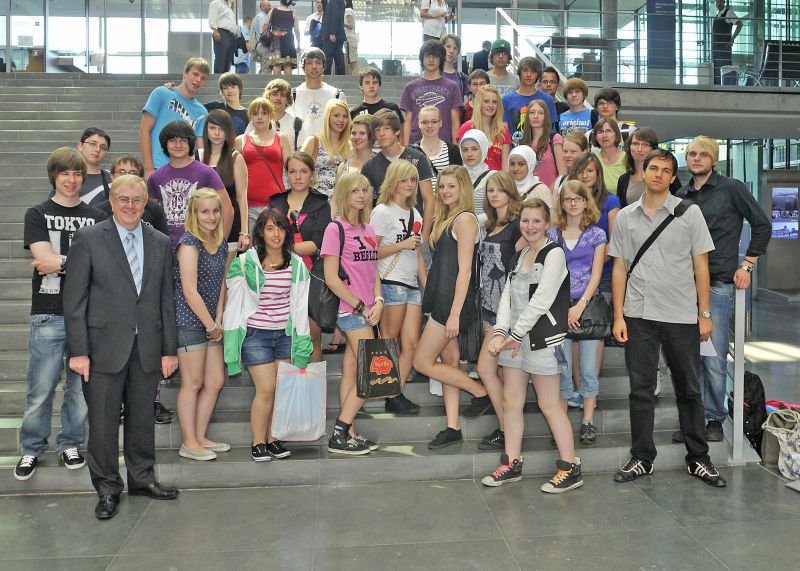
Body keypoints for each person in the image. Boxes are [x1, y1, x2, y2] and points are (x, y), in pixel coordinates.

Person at [64, 174, 179, 520]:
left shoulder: (159, 241)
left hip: (147, 346)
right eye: (123, 199)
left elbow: (165, 299)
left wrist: (169, 350)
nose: (130, 206)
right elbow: (74, 300)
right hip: (101, 349)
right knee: (102, 423)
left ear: (147, 203)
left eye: (137, 200)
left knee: (143, 419)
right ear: (111, 202)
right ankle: (107, 488)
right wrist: (79, 351)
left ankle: (142, 479)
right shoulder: (87, 239)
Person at [609, 148, 727, 488]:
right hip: (639, 314)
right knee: (640, 390)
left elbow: (701, 266)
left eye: (665, 170)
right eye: (653, 168)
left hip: (680, 315)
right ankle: (642, 457)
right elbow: (619, 267)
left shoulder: (690, 214)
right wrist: (619, 315)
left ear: (673, 178)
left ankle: (698, 458)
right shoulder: (627, 217)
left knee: (689, 389)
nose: (658, 174)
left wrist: (704, 314)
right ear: (643, 173)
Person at [13, 148, 103, 482]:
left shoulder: (95, 216)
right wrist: (78, 262)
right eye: (65, 173)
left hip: (86, 314)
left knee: (78, 390)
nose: (71, 180)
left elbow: (77, 264)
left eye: (77, 174)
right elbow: (43, 259)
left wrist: (59, 262)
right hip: (48, 313)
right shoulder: (37, 213)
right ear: (54, 175)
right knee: (41, 388)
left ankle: (71, 443)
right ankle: (31, 448)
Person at [673, 136, 770, 443]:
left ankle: (714, 418)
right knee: (687, 359)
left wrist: (748, 265)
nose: (697, 158)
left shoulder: (732, 188)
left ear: (713, 160)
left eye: (703, 154)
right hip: (681, 288)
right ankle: (693, 420)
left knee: (713, 359)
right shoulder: (680, 194)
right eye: (692, 154)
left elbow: (762, 224)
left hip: (717, 286)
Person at [482, 198, 582, 492]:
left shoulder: (554, 254)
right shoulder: (519, 255)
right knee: (511, 402)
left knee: (549, 405)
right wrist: (501, 332)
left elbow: (543, 300)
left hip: (541, 340)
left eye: (537, 221)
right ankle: (511, 463)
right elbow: (506, 298)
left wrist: (514, 334)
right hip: (514, 340)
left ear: (547, 224)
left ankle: (570, 467)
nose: (530, 226)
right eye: (525, 221)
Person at [224, 208, 312, 461]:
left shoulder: (296, 265)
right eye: (270, 228)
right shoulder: (244, 263)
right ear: (261, 232)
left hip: (284, 335)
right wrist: (231, 345)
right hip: (256, 336)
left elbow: (300, 308)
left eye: (281, 228)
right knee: (267, 388)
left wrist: (302, 343)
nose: (276, 234)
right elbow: (233, 306)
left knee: (280, 390)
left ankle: (273, 439)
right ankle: (258, 441)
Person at [413, 165, 490, 449]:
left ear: (463, 190)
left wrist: (455, 313)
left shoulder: (466, 219)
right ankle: (452, 426)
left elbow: (465, 271)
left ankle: (481, 392)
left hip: (450, 304)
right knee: (448, 362)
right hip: (440, 298)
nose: (445, 191)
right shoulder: (448, 218)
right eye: (441, 186)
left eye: (451, 187)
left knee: (422, 362)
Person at [323, 172, 383, 455]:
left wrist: (379, 301)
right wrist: (362, 306)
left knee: (351, 370)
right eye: (355, 191)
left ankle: (350, 432)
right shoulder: (335, 229)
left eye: (365, 190)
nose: (361, 195)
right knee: (374, 373)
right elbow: (332, 279)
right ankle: (339, 432)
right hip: (350, 311)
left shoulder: (369, 230)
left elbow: (374, 273)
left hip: (369, 310)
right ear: (345, 194)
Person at [548, 181, 606, 445]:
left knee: (587, 368)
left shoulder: (596, 235)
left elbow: (596, 275)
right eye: (567, 199)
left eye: (577, 199)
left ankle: (587, 421)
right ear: (561, 204)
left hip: (588, 306)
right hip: (558, 308)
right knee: (561, 368)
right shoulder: (552, 234)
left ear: (586, 202)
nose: (572, 203)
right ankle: (562, 426)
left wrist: (580, 304)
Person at [173, 189, 229, 461]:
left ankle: (200, 435)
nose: (211, 216)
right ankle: (188, 442)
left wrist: (218, 319)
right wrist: (209, 324)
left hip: (210, 322)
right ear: (194, 214)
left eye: (215, 211)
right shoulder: (188, 243)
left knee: (215, 380)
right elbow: (189, 291)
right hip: (189, 321)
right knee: (192, 382)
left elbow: (221, 286)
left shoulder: (220, 243)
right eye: (204, 211)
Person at [468, 172, 523, 441]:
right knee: (497, 371)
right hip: (488, 307)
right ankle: (507, 427)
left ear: (510, 192)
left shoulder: (517, 226)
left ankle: (505, 429)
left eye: (499, 190)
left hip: (507, 310)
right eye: (490, 190)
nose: (493, 194)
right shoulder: (490, 225)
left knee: (485, 369)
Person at [372, 159, 426, 415]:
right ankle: (389, 391)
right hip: (391, 281)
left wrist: (426, 287)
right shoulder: (381, 211)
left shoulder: (416, 213)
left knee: (412, 344)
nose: (409, 184)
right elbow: (371, 252)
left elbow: (418, 255)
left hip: (412, 284)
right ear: (393, 181)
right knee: (389, 341)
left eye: (413, 180)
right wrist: (402, 245)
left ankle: (395, 393)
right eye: (404, 179)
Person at [270, 151, 332, 362]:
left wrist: (283, 246)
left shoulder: (321, 203)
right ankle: (288, 390)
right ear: (286, 174)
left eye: (303, 172)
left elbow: (318, 243)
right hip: (279, 277)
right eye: (292, 172)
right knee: (284, 338)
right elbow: (268, 237)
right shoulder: (276, 202)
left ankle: (312, 391)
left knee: (312, 337)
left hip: (311, 277)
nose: (297, 177)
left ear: (312, 174)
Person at [147, 120, 234, 250]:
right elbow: (149, 214)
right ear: (165, 143)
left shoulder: (206, 173)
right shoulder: (155, 177)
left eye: (183, 140)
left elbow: (227, 210)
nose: (178, 145)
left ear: (190, 143)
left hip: (202, 249)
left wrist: (220, 246)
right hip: (167, 250)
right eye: (172, 140)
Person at [361, 109, 435, 243]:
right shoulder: (369, 166)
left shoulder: (417, 158)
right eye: (377, 130)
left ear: (397, 130)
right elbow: (366, 206)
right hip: (384, 234)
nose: (382, 134)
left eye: (387, 128)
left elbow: (429, 199)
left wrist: (425, 234)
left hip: (414, 231)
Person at [140, 57, 210, 177]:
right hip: (158, 168)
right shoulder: (162, 93)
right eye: (195, 74)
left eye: (203, 78)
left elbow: (201, 148)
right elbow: (144, 130)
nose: (198, 80)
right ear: (185, 73)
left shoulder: (202, 112)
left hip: (184, 171)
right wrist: (149, 168)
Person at [200, 109, 250, 262]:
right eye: (212, 128)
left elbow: (242, 197)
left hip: (230, 226)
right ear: (206, 130)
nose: (216, 133)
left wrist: (244, 232)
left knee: (224, 279)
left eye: (221, 129)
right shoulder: (198, 156)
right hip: (202, 226)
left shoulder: (235, 158)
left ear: (228, 131)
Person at [236, 98, 292, 231]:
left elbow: (291, 170)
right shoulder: (240, 140)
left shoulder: (282, 138)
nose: (259, 117)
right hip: (248, 206)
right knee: (252, 250)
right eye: (255, 113)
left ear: (271, 115)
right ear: (250, 117)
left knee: (276, 246)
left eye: (264, 113)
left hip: (276, 205)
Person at [399, 40, 462, 146]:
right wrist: (406, 148)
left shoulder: (452, 86)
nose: (431, 60)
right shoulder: (410, 87)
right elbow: (407, 122)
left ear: (441, 59)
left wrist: (455, 148)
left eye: (435, 56)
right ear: (422, 59)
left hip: (443, 144)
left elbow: (455, 122)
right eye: (428, 56)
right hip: (416, 144)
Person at [92, 155, 169, 237]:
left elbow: (162, 241)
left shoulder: (154, 210)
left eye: (133, 173)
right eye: (121, 172)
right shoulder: (99, 211)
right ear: (111, 176)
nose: (126, 176)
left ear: (141, 178)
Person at [291, 48, 347, 147]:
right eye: (309, 63)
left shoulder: (337, 94)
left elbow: (344, 126)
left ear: (324, 66)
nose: (314, 66)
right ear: (303, 66)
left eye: (318, 62)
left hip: (329, 152)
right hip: (300, 152)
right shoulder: (293, 94)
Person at [301, 98, 353, 198]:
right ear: (328, 117)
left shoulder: (350, 147)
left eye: (345, 116)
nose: (341, 120)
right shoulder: (313, 141)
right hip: (315, 203)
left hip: (342, 204)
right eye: (336, 115)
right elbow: (298, 173)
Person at [616, 127, 681, 208]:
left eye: (645, 145)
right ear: (629, 146)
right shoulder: (623, 180)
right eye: (635, 144)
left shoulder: (665, 175)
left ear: (653, 148)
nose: (639, 149)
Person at [502, 56, 557, 146]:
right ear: (519, 73)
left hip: (541, 152)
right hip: (515, 153)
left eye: (533, 71)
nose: (529, 74)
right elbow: (504, 132)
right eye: (525, 70)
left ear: (538, 75)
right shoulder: (507, 99)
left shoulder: (547, 100)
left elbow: (551, 130)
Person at [457, 85, 511, 172]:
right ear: (479, 103)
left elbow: (505, 167)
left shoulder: (503, 130)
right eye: (486, 101)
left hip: (496, 183)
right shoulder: (466, 128)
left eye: (494, 102)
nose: (491, 105)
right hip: (472, 182)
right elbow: (460, 163)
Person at [409, 105, 461, 193]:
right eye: (425, 122)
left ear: (440, 123)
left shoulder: (453, 150)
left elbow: (459, 181)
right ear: (419, 124)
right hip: (421, 205)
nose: (429, 126)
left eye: (434, 121)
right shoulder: (411, 152)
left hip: (446, 203)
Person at [520, 99, 565, 187]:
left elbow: (562, 174)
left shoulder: (554, 138)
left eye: (540, 113)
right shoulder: (523, 143)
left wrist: (549, 194)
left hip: (551, 195)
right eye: (532, 112)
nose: (536, 116)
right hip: (528, 196)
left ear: (546, 117)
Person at [459, 129, 493, 217]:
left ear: (483, 149)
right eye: (465, 150)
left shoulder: (493, 177)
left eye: (474, 149)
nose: (469, 154)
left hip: (485, 228)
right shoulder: (456, 175)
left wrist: (473, 222)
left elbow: (498, 211)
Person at [74, 127, 111, 204]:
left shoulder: (112, 179)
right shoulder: (66, 176)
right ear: (80, 146)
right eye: (93, 144)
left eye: (103, 147)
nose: (97, 149)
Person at [263, 78, 303, 151]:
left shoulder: (297, 123)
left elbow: (300, 152)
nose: (278, 98)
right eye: (275, 94)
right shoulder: (258, 121)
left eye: (282, 95)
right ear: (268, 96)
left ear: (287, 99)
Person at [593, 117, 627, 195]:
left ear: (616, 134)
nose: (604, 135)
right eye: (600, 132)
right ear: (595, 137)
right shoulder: (592, 159)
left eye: (608, 131)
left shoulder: (627, 159)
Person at [711, 0, 743, 85]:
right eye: (716, 2)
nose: (718, 4)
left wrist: (732, 38)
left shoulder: (728, 13)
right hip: (716, 49)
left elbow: (740, 24)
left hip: (724, 48)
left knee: (726, 71)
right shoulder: (716, 16)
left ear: (724, 2)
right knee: (716, 72)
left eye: (719, 1)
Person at [266, 0, 301, 75]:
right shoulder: (293, 13)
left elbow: (265, 24)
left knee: (276, 63)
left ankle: (277, 85)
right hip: (288, 39)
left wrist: (265, 37)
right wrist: (298, 44)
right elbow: (297, 30)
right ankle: (287, 85)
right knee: (287, 63)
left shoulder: (273, 10)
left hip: (275, 38)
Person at [209, 0, 239, 74]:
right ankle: (217, 79)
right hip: (221, 32)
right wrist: (215, 30)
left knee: (228, 60)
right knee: (220, 58)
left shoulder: (228, 6)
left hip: (230, 35)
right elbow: (212, 17)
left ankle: (225, 79)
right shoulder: (216, 3)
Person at [320, 0, 346, 75]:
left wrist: (332, 32)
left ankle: (327, 79)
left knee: (327, 58)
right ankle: (340, 78)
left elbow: (335, 15)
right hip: (336, 34)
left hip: (332, 34)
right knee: (338, 57)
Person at [441, 34, 469, 102]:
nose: (451, 51)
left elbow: (465, 104)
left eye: (455, 48)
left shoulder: (463, 77)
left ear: (458, 52)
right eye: (448, 46)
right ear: (441, 48)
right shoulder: (433, 75)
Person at [251, 1, 272, 74]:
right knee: (266, 67)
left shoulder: (259, 16)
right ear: (262, 7)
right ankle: (264, 84)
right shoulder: (262, 17)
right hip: (263, 44)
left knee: (264, 66)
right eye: (268, 5)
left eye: (270, 5)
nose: (270, 7)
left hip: (260, 44)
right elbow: (263, 32)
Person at [344, 0, 359, 75]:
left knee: (353, 62)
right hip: (349, 39)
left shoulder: (348, 10)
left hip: (350, 38)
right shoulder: (348, 10)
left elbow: (350, 25)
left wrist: (339, 22)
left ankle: (356, 80)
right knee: (350, 62)